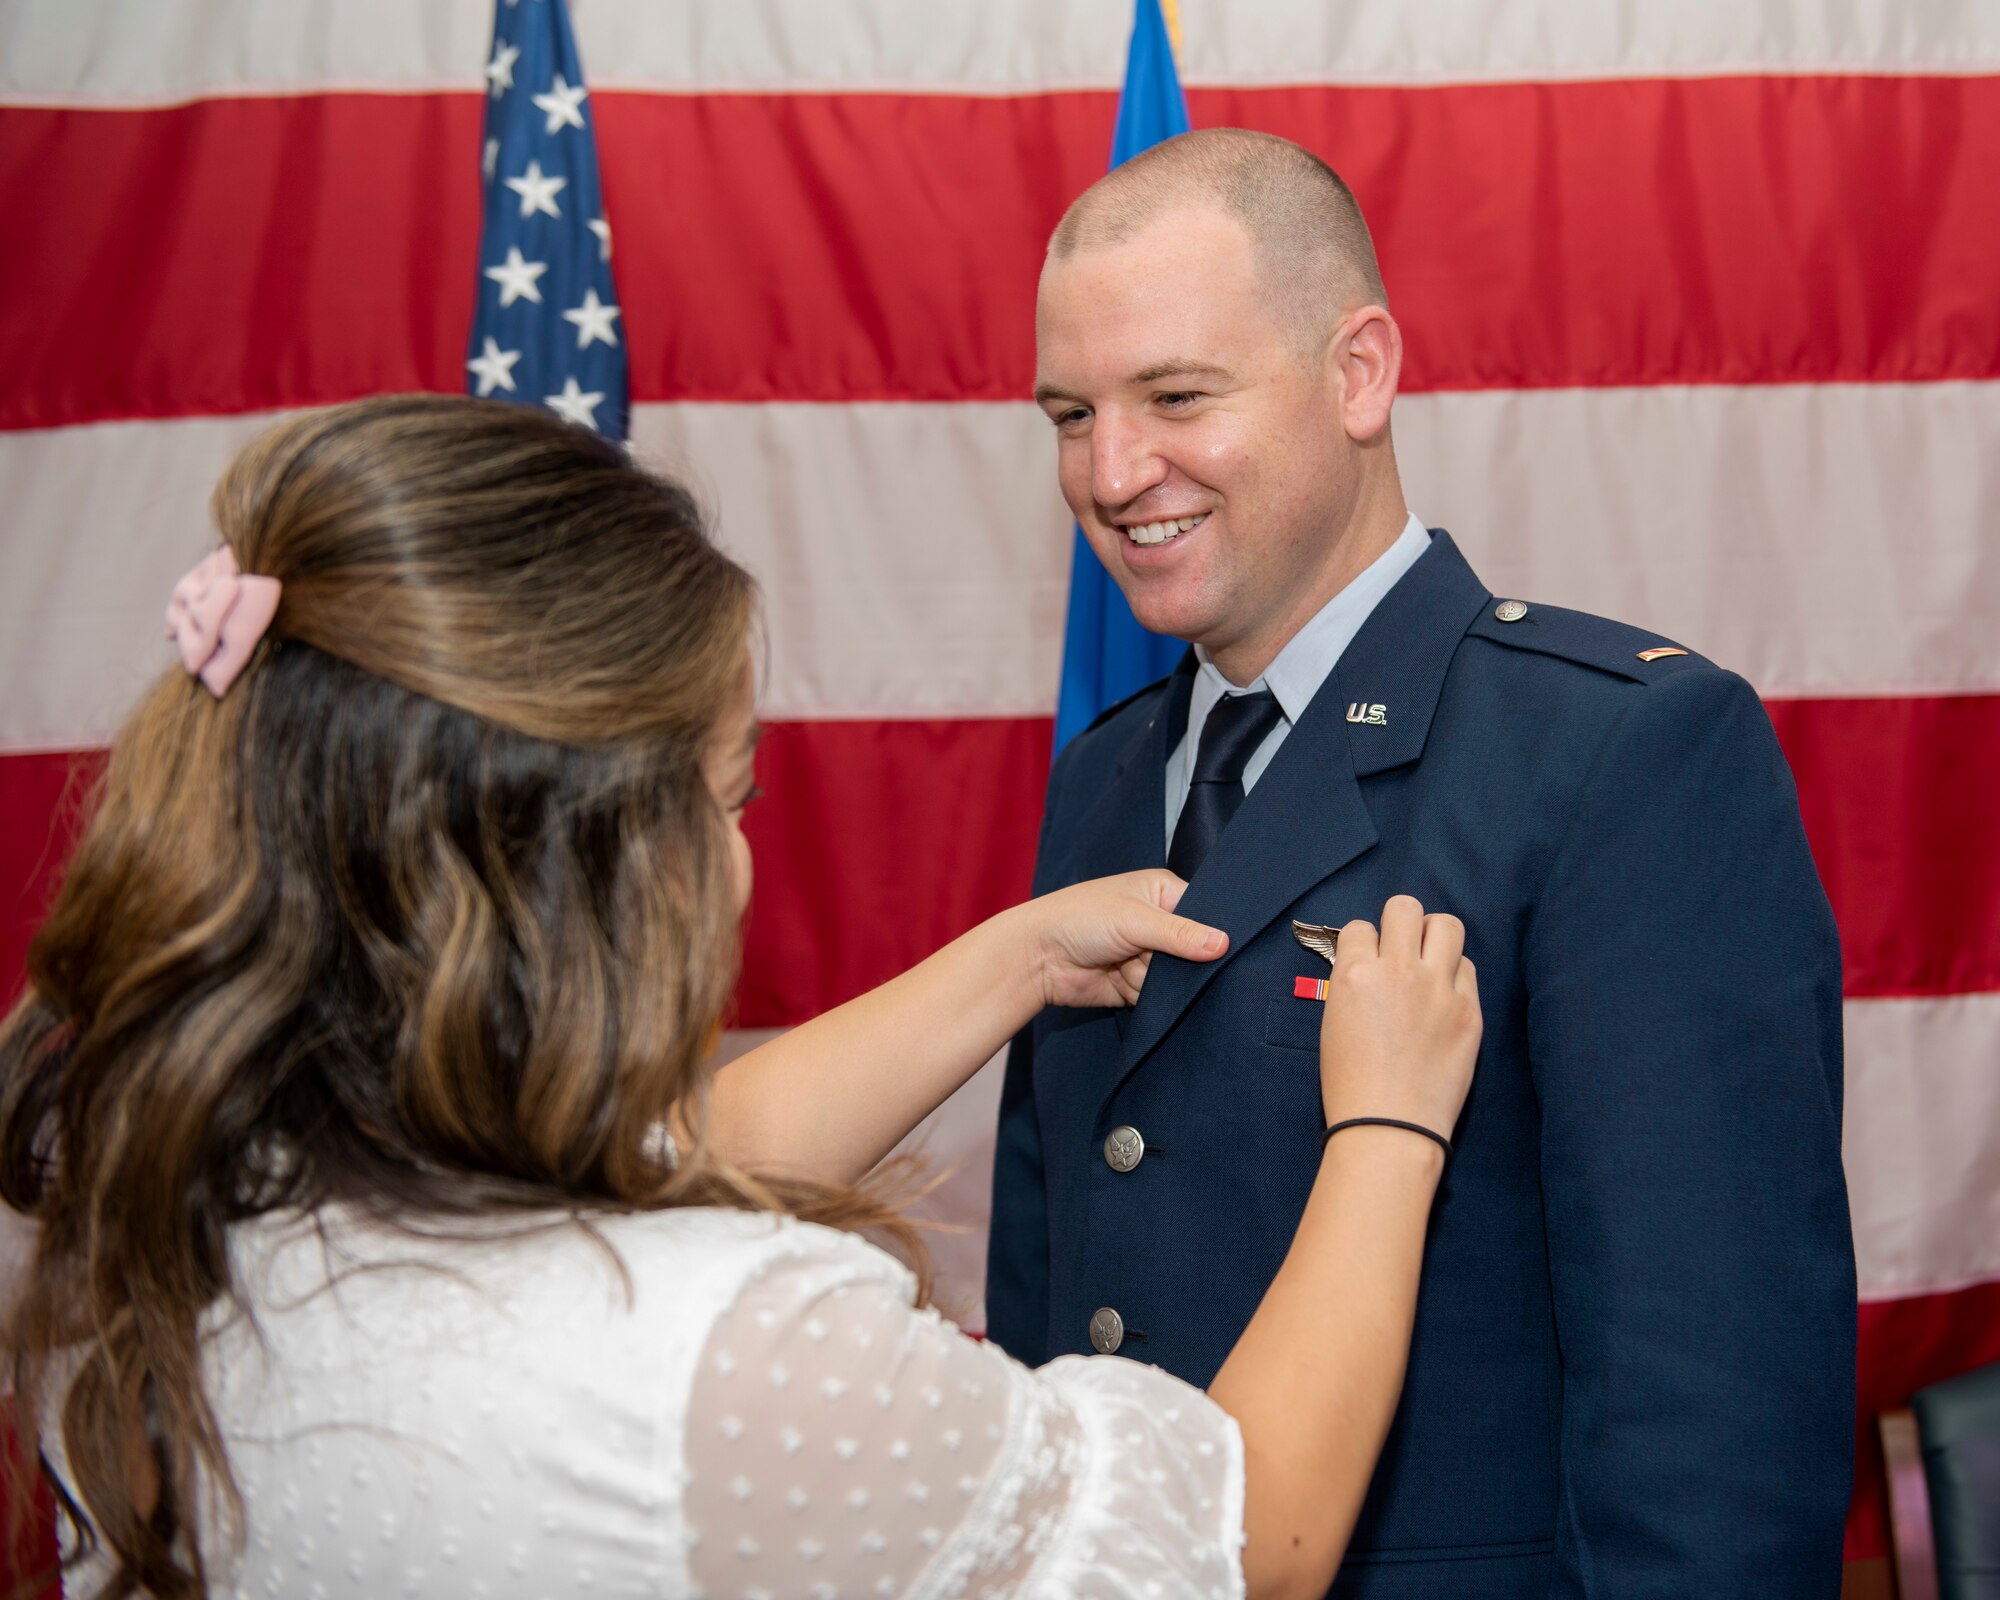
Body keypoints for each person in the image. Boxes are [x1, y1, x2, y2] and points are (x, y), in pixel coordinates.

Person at [0, 393, 1481, 1600]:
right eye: (729, 800)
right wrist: (1391, 1129)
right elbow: (1248, 1541)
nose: (743, 859)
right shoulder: (736, 1358)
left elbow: (658, 1174)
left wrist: (1013, 960)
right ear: (587, 862)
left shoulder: (147, 1204)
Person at [988, 129, 1856, 1597]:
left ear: (1360, 374)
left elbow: (1712, 1410)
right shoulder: (1107, 774)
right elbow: (1059, 1291)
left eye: (1178, 396)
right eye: (1071, 413)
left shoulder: (1616, 754)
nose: (1114, 471)